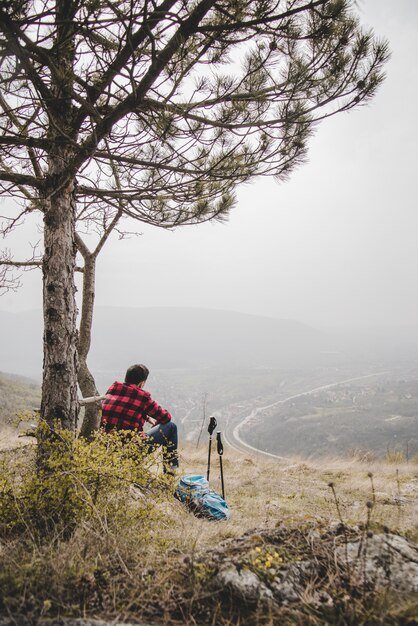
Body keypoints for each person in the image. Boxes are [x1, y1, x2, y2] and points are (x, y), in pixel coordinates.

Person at [101, 363, 179, 473]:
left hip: (107, 447)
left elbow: (124, 409)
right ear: (141, 383)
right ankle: (170, 474)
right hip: (130, 450)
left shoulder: (113, 389)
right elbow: (166, 417)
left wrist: (146, 417)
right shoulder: (142, 397)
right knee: (171, 427)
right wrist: (154, 419)